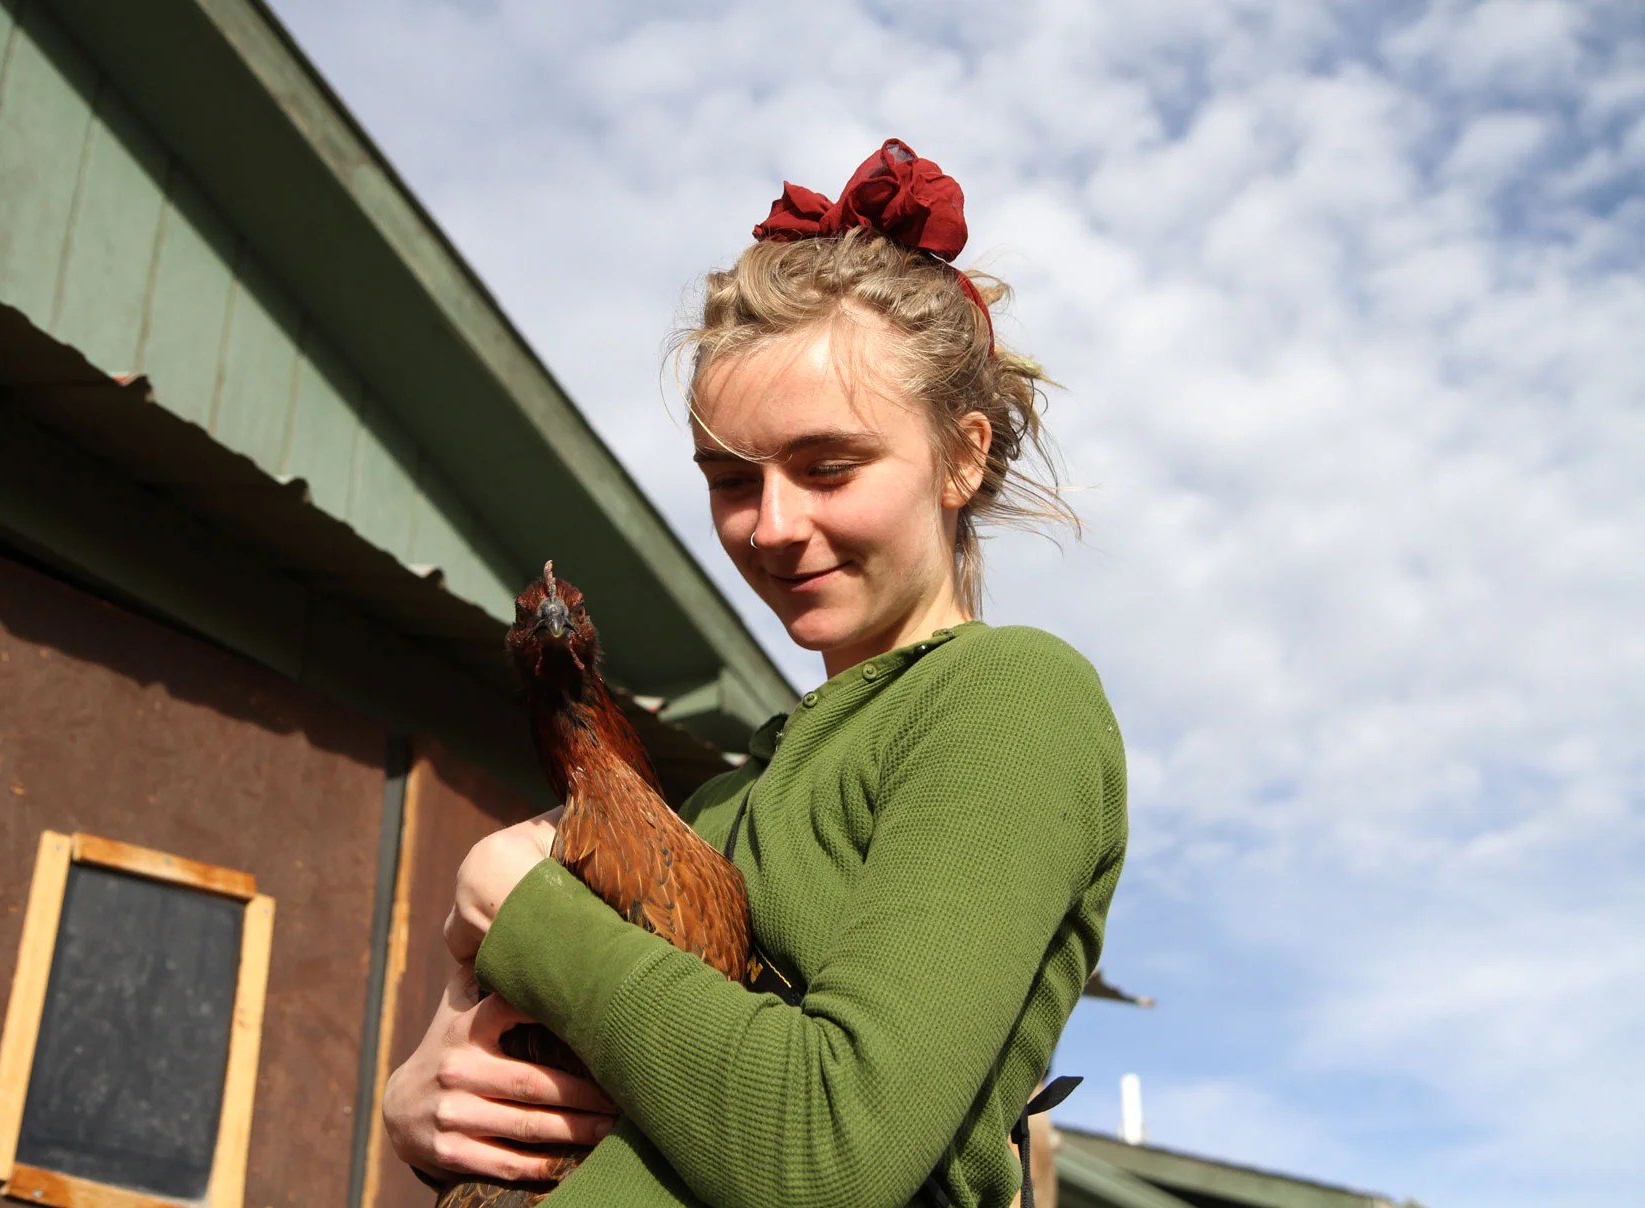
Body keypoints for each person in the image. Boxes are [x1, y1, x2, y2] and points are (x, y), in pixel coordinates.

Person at [383, 139, 1127, 1208]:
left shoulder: (1008, 698)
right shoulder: (722, 803)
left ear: (962, 456)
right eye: (731, 480)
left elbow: (826, 1156)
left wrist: (520, 906)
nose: (771, 525)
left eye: (828, 466)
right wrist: (427, 1099)